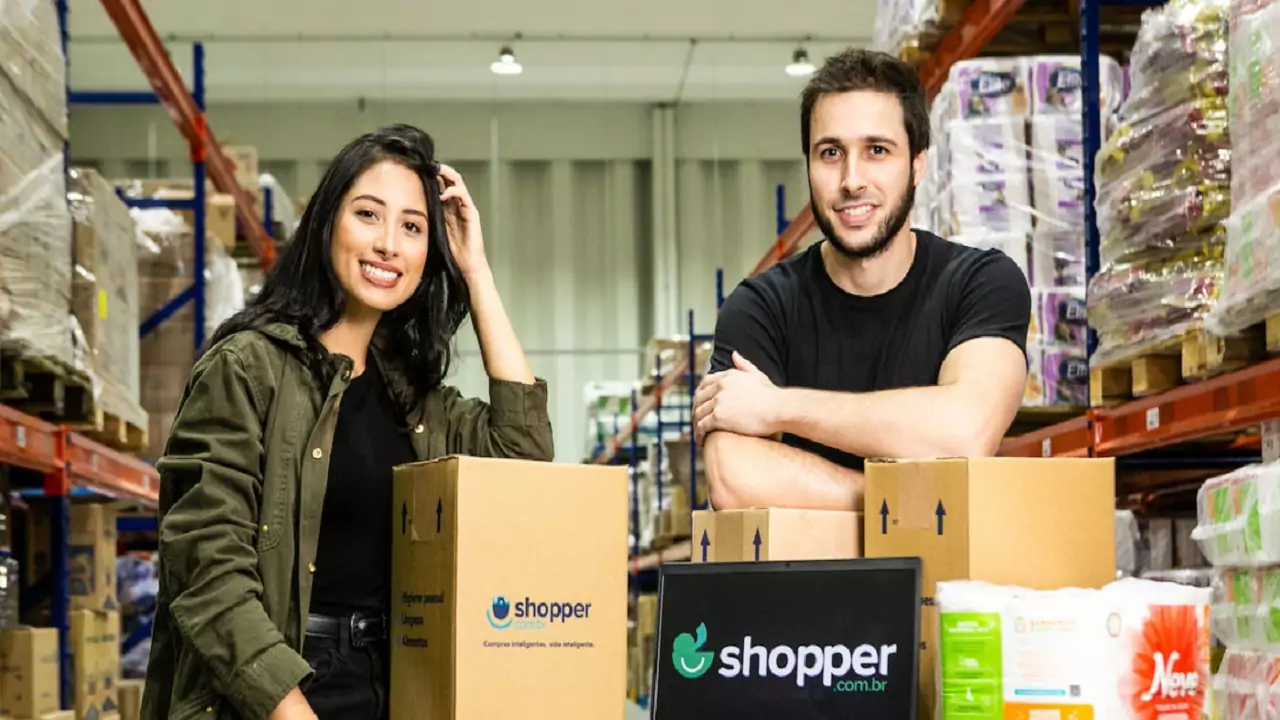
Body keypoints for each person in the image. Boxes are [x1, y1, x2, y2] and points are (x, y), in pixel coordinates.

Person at [139, 124, 554, 720]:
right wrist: (290, 709)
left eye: (412, 227)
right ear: (328, 222)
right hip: (276, 690)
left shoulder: (413, 400)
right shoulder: (247, 368)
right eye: (368, 214)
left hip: (392, 681)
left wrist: (477, 271)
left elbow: (524, 454)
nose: (388, 244)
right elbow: (206, 569)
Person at [693, 48, 1031, 512]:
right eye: (831, 153)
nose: (852, 180)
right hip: (828, 566)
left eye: (877, 150)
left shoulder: (980, 283)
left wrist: (777, 408)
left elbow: (965, 432)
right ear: (808, 165)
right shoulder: (761, 307)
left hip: (936, 565)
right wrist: (903, 506)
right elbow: (733, 478)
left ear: (918, 164)